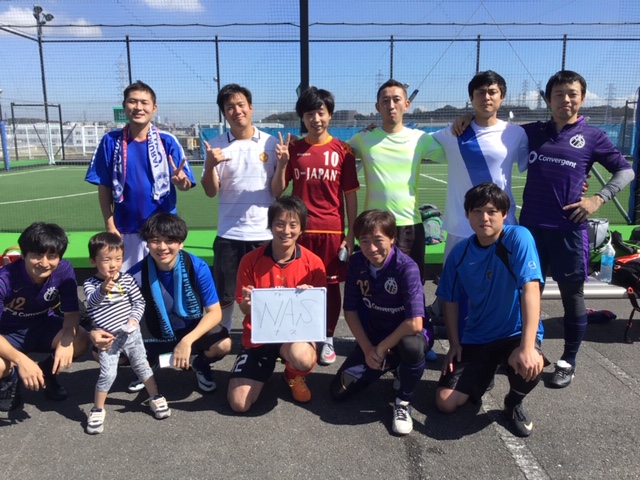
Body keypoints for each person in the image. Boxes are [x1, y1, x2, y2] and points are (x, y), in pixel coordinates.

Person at [517, 70, 633, 388]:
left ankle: (568, 360)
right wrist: (465, 120)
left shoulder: (593, 136)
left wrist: (598, 198)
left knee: (572, 296)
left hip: (569, 230)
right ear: (548, 99)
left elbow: (625, 171)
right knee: (528, 293)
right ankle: (530, 349)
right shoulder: (532, 131)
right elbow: (493, 129)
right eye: (559, 94)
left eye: (572, 94)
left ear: (582, 98)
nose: (565, 100)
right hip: (531, 231)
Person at [435, 183, 545, 437]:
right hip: (478, 336)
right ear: (467, 215)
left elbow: (531, 289)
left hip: (514, 333)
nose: (484, 217)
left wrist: (528, 346)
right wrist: (454, 344)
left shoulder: (518, 238)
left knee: (529, 364)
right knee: (445, 402)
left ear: (504, 214)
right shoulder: (460, 253)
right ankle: (485, 374)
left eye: (492, 211)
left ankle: (513, 402)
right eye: (477, 211)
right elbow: (449, 300)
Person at [91, 213, 231, 395]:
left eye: (170, 240)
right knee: (98, 351)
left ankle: (200, 364)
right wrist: (95, 331)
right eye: (155, 241)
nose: (162, 247)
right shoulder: (134, 274)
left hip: (188, 329)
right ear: (147, 243)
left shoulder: (197, 267)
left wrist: (187, 341)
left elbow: (214, 313)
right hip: (152, 331)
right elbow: (112, 310)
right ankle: (147, 363)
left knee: (223, 344)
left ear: (181, 243)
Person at [271, 86, 360, 365]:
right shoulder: (294, 149)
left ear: (330, 115)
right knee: (296, 283)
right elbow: (277, 191)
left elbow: (350, 196)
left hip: (331, 231)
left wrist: (351, 234)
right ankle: (298, 334)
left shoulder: (343, 151)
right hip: (299, 231)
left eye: (320, 113)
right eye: (309, 114)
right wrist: (282, 164)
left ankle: (327, 337)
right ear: (302, 117)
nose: (316, 119)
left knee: (330, 286)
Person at [329, 209, 432, 436]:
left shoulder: (407, 267)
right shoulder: (357, 262)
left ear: (392, 238)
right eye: (364, 240)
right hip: (375, 338)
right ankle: (391, 364)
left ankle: (403, 401)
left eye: (378, 240)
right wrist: (368, 350)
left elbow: (415, 323)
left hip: (405, 336)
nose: (371, 248)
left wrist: (382, 348)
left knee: (411, 347)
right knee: (338, 391)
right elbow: (350, 311)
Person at [228, 196, 327, 412]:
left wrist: (310, 299)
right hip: (259, 338)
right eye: (279, 224)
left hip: (293, 337)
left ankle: (292, 375)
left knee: (303, 358)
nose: (286, 231)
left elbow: (317, 315)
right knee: (239, 404)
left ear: (302, 228)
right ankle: (260, 369)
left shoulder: (313, 263)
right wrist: (248, 303)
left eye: (293, 225)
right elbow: (244, 309)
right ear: (271, 225)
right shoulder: (250, 260)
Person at [85, 80, 196, 271]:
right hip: (124, 229)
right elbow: (104, 186)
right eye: (132, 101)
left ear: (154, 108)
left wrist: (181, 182)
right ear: (124, 106)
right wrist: (110, 225)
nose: (138, 107)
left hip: (162, 233)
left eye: (144, 102)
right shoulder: (110, 141)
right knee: (127, 284)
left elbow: (186, 184)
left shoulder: (167, 141)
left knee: (163, 285)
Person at [348, 79, 445, 282]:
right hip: (373, 226)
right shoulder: (364, 138)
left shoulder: (420, 139)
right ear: (377, 106)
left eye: (396, 99)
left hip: (409, 225)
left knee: (411, 288)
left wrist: (466, 121)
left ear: (407, 104)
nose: (391, 105)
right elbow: (332, 150)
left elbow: (453, 151)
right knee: (374, 288)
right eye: (385, 101)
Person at [201, 83, 278, 338]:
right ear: (224, 113)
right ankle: (220, 341)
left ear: (251, 108)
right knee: (225, 296)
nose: (236, 111)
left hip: (264, 234)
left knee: (264, 294)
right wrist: (210, 165)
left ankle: (266, 342)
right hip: (229, 234)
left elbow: (277, 191)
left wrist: (284, 164)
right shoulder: (216, 146)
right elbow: (210, 191)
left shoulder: (271, 143)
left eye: (240, 105)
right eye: (230, 107)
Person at [83, 232, 170, 435]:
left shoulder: (127, 280)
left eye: (118, 259)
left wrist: (133, 319)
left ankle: (155, 396)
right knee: (108, 373)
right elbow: (92, 304)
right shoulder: (91, 284)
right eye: (107, 260)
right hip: (108, 339)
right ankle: (97, 409)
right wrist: (103, 289)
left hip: (131, 334)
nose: (113, 265)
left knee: (142, 365)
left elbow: (139, 302)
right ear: (93, 261)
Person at [0, 222, 89, 412]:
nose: (45, 263)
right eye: (37, 255)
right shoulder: (4, 279)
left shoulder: (64, 270)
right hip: (7, 333)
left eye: (52, 256)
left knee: (80, 338)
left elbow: (72, 313)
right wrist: (21, 361)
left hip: (42, 325)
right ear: (24, 255)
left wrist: (66, 340)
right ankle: (10, 380)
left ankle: (47, 372)